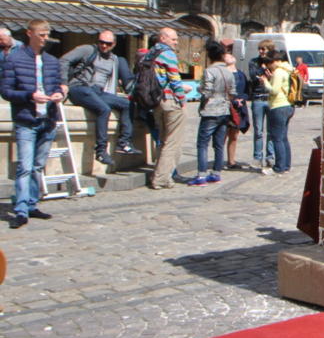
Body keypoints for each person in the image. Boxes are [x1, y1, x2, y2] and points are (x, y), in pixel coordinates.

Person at [1, 20, 67, 228]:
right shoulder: (14, 59)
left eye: (47, 35)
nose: (45, 38)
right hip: (26, 120)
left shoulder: (51, 61)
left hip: (47, 119)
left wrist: (59, 94)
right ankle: (21, 210)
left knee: (38, 166)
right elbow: (6, 91)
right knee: (25, 167)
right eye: (42, 34)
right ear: (30, 34)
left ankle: (31, 203)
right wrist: (30, 95)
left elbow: (57, 85)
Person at [60, 29, 138, 166]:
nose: (104, 46)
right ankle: (101, 151)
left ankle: (124, 143)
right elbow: (64, 60)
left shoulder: (114, 59)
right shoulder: (88, 50)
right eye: (101, 42)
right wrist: (63, 83)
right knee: (104, 109)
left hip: (97, 91)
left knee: (128, 104)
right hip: (79, 87)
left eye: (108, 43)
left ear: (114, 44)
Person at [188, 41, 235, 186]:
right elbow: (233, 92)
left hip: (210, 111)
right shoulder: (228, 72)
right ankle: (216, 173)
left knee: (202, 144)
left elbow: (207, 91)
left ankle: (201, 175)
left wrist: (200, 90)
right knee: (219, 144)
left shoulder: (209, 71)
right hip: (224, 110)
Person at [149, 27, 188, 190]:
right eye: (173, 39)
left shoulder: (151, 53)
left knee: (163, 141)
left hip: (156, 101)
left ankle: (160, 175)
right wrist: (182, 98)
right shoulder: (168, 54)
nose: (176, 42)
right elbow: (174, 79)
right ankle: (161, 178)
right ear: (163, 38)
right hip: (170, 100)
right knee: (172, 143)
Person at [261, 49, 294, 174]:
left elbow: (274, 91)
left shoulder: (278, 72)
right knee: (283, 138)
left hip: (278, 106)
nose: (269, 67)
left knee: (277, 138)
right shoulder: (288, 69)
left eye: (269, 64)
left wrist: (265, 81)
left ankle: (279, 166)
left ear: (274, 61)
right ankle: (286, 165)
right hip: (288, 105)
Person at [247, 40, 276, 173]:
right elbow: (253, 77)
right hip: (258, 98)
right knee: (258, 131)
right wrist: (263, 69)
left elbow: (275, 78)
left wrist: (266, 74)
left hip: (270, 99)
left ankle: (270, 157)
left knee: (271, 130)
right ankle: (257, 157)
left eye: (264, 49)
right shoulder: (253, 62)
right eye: (260, 49)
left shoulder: (274, 62)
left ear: (270, 50)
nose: (261, 51)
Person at [224, 51, 250, 169]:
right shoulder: (224, 73)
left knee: (234, 135)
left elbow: (246, 90)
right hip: (227, 106)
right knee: (222, 135)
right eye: (227, 56)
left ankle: (231, 161)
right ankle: (218, 160)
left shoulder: (240, 74)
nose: (230, 56)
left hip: (239, 107)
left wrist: (242, 99)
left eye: (231, 55)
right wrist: (233, 100)